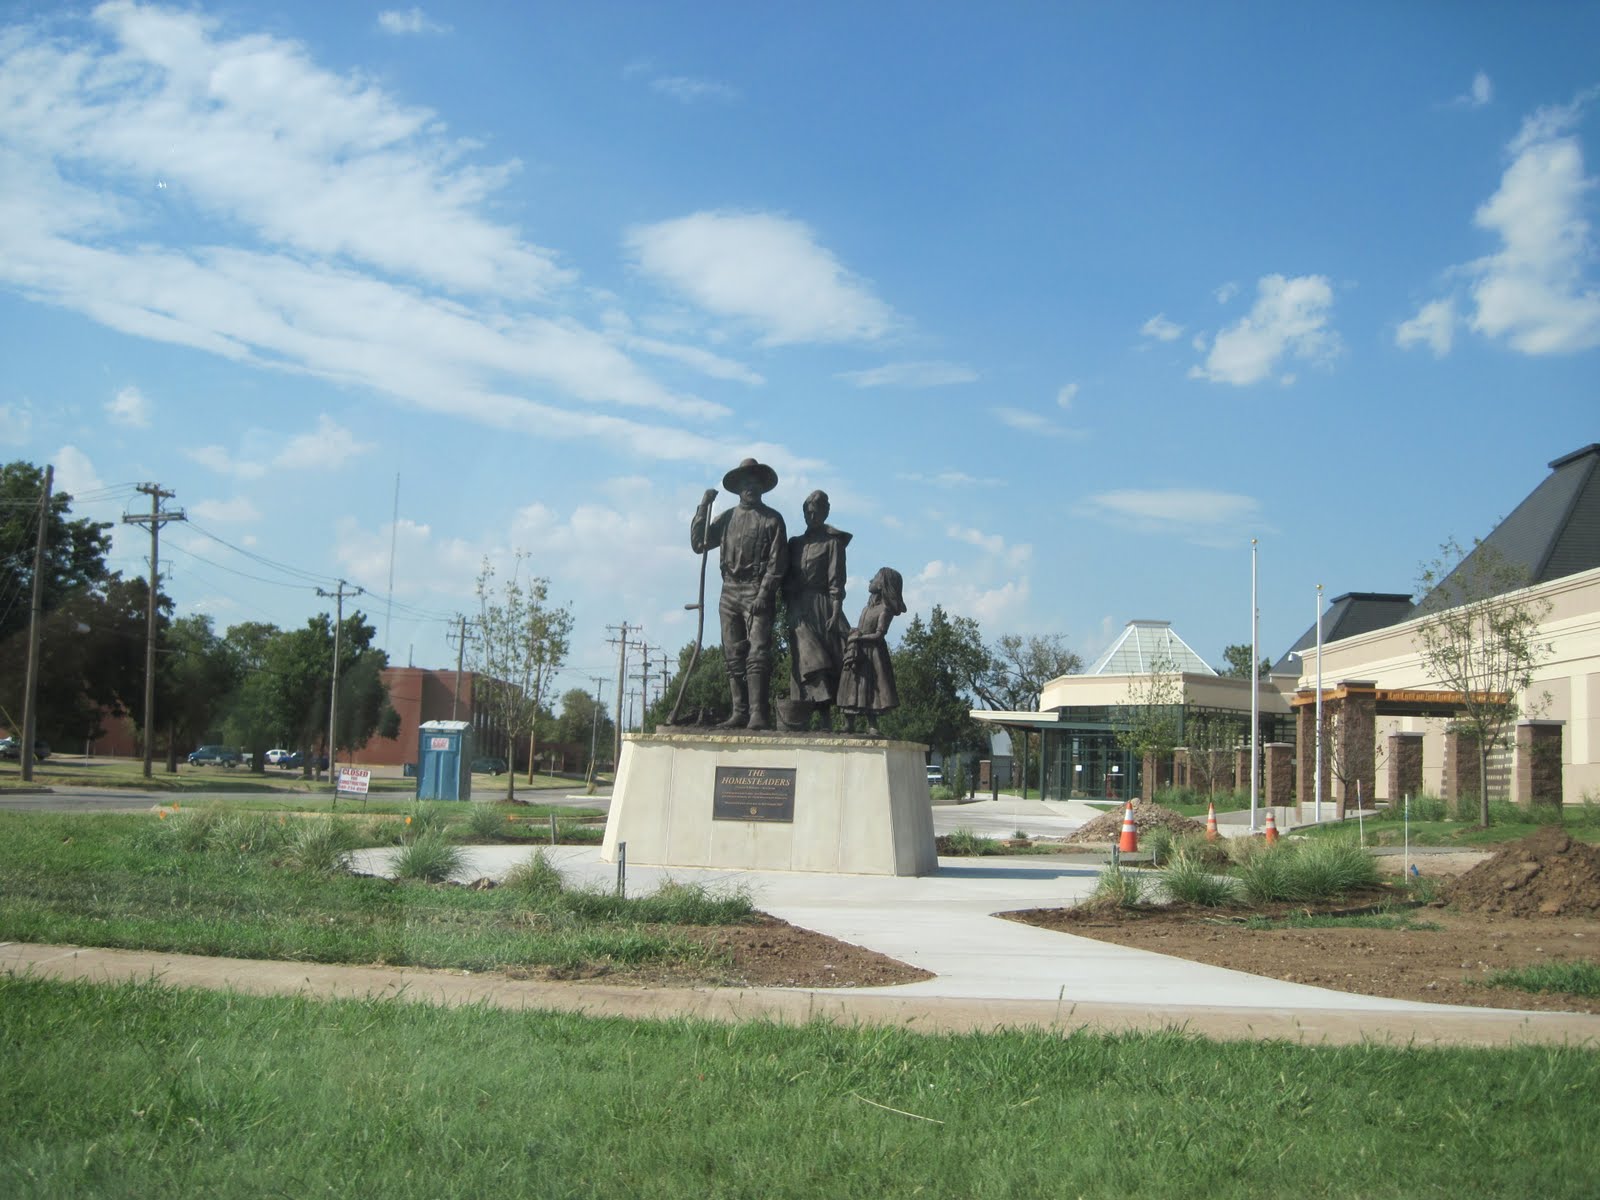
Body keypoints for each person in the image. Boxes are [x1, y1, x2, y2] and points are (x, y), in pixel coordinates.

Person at [691, 458, 788, 730]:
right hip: (729, 591)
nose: (750, 488)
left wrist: (764, 593)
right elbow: (699, 544)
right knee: (732, 654)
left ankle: (758, 714)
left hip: (757, 589)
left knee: (757, 653)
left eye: (755, 483)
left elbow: (778, 562)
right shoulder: (726, 519)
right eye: (745, 483)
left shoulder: (772, 519)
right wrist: (703, 508)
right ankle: (739, 712)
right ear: (738, 488)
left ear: (762, 487)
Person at [782, 490, 851, 725]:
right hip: (799, 607)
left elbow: (837, 580)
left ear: (826, 513)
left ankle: (834, 715)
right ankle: (805, 713)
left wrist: (835, 611)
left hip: (824, 606)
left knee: (840, 657)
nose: (812, 516)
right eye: (808, 512)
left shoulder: (833, 544)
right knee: (809, 657)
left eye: (817, 512)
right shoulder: (795, 544)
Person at [837, 567, 906, 735]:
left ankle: (872, 723)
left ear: (882, 585)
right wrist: (852, 633)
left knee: (872, 688)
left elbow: (879, 635)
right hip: (858, 653)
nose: (870, 581)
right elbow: (861, 628)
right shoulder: (866, 608)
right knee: (853, 685)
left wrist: (858, 638)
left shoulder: (885, 610)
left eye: (875, 578)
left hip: (874, 654)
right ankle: (849, 722)